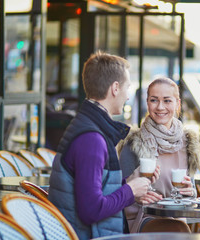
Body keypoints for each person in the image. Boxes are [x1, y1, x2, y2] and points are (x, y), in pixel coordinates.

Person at [48, 51, 159, 240]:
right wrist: (129, 191)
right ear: (115, 88)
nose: (127, 96)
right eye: (127, 88)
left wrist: (133, 190)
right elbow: (91, 210)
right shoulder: (91, 139)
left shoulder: (87, 127)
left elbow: (96, 188)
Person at [118, 77, 200, 233]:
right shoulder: (134, 143)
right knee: (178, 229)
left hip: (177, 217)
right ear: (147, 103)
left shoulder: (188, 143)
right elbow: (116, 189)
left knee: (179, 228)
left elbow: (189, 193)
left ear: (178, 104)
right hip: (142, 217)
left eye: (167, 101)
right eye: (154, 100)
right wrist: (134, 195)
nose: (160, 107)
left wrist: (190, 193)